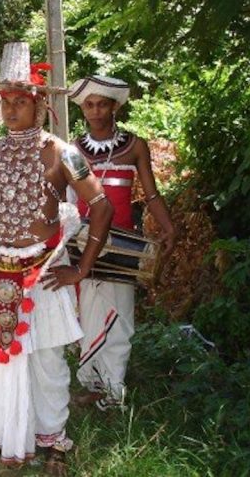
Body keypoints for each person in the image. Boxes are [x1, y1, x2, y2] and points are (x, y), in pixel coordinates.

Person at [0, 42, 113, 475]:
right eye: (5, 102)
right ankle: (1, 432)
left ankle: (53, 443)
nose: (10, 110)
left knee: (46, 361)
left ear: (39, 103)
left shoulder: (63, 153)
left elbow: (100, 207)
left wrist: (81, 268)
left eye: (20, 102)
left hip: (42, 276)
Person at [68, 75, 176, 410]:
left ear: (115, 105)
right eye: (89, 105)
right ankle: (93, 385)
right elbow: (68, 198)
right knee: (87, 316)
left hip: (124, 248)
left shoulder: (135, 146)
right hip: (84, 243)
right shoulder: (73, 149)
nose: (96, 111)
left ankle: (115, 392)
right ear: (82, 109)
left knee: (119, 317)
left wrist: (169, 228)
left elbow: (152, 194)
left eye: (102, 104)